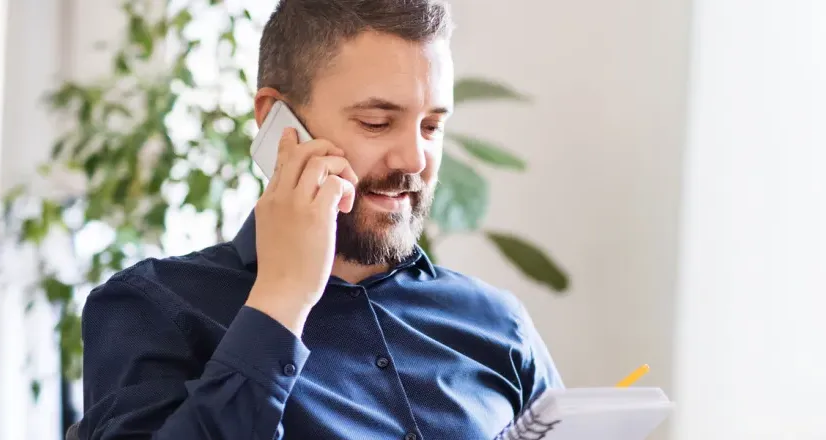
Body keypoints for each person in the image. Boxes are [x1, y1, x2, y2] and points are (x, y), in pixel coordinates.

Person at [78, 0, 564, 439]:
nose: (415, 159)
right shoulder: (153, 308)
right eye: (376, 122)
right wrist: (282, 299)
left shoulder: (498, 324)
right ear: (277, 122)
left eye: (432, 126)